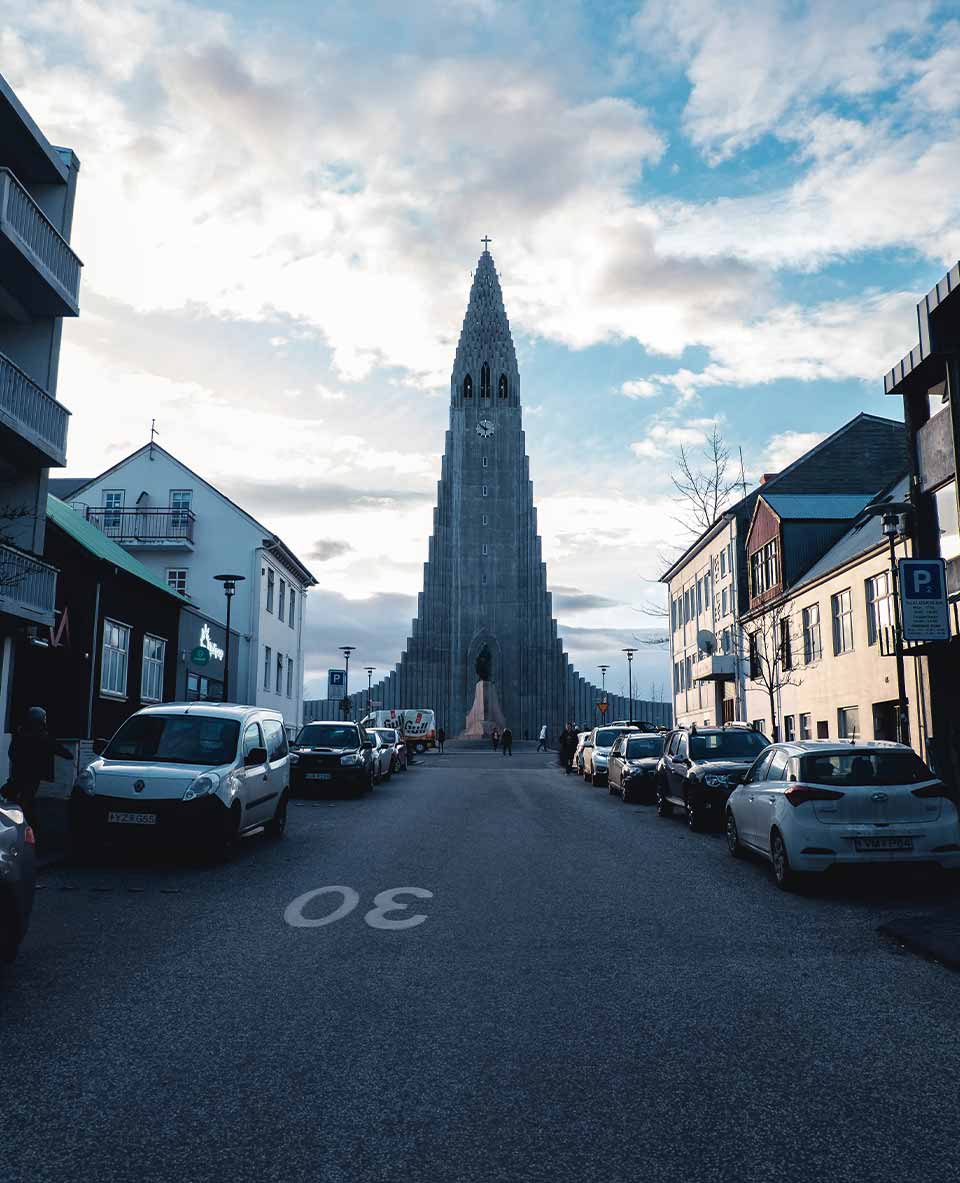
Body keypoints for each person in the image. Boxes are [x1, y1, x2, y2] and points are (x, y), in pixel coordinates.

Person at [3, 707, 71, 833]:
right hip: (33, 776)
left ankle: (25, 825)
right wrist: (67, 753)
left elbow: (12, 753)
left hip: (19, 773)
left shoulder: (21, 734)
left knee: (18, 798)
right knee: (26, 801)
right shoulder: (42, 736)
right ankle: (31, 829)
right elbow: (62, 751)